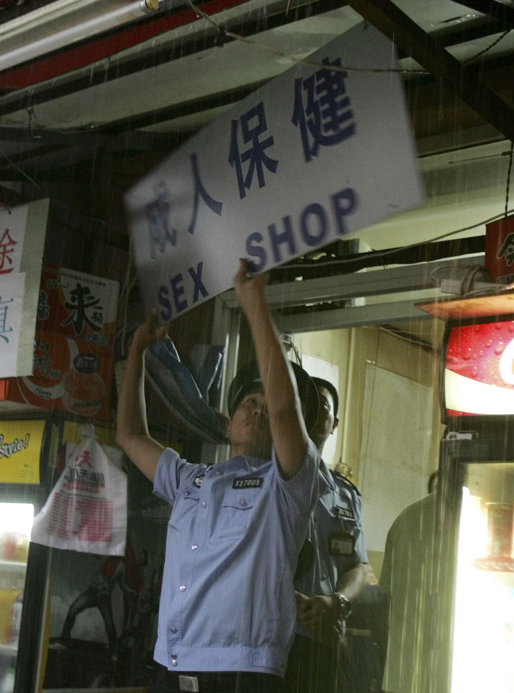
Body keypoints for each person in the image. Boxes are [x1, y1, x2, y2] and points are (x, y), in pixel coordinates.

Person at [116, 259, 320, 693]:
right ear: (226, 425)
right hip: (172, 665)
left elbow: (285, 410)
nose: (259, 410)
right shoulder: (190, 479)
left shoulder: (286, 486)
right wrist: (136, 352)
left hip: (239, 672)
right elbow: (130, 435)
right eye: (249, 402)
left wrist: (253, 302)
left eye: (265, 407)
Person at [285, 376, 372, 693]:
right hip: (277, 641)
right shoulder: (269, 482)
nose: (315, 409)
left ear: (335, 423)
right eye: (307, 402)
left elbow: (357, 567)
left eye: (322, 404)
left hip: (326, 642)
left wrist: (337, 603)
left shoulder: (345, 495)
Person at [379, 471, 454, 693]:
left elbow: (388, 596)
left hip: (403, 671)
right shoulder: (473, 515)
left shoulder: (406, 518)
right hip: (447, 672)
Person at [58, 555, 137, 654]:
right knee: (73, 608)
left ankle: (113, 649)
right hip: (92, 592)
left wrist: (130, 591)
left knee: (109, 624)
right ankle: (64, 640)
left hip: (104, 597)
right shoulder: (106, 556)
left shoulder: (121, 567)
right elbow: (96, 553)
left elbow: (122, 584)